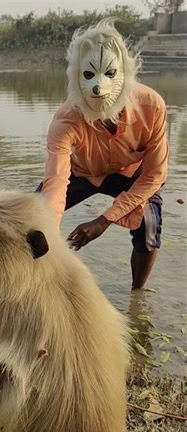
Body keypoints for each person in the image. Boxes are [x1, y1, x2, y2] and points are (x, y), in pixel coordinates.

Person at [36, 19, 168, 290]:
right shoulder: (65, 120)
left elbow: (155, 174)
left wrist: (103, 220)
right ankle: (32, 288)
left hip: (131, 174)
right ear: (76, 77)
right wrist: (46, 227)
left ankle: (137, 294)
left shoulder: (151, 107)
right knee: (31, 222)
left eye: (109, 74)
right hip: (81, 171)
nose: (98, 87)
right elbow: (56, 182)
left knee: (149, 227)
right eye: (88, 76)